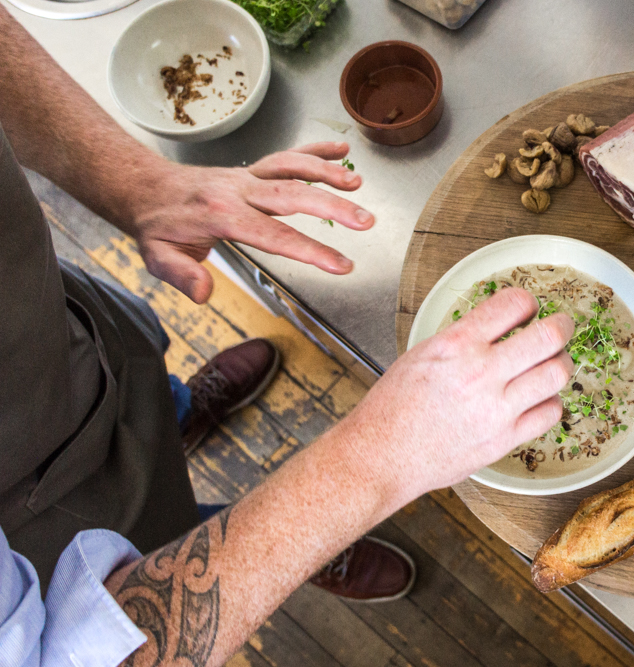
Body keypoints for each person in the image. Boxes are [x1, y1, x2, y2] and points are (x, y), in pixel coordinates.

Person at [0, 6, 574, 667]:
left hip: (50, 330)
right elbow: (86, 650)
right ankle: (283, 544)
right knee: (159, 533)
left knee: (145, 403)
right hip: (33, 501)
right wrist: (376, 458)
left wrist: (136, 182)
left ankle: (175, 418)